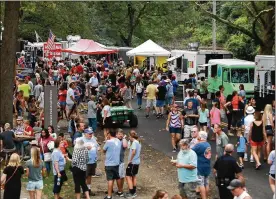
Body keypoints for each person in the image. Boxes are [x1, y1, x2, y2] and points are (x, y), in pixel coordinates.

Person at [192, 131, 211, 199]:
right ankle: (207, 196)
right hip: (207, 166)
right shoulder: (208, 144)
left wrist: (196, 143)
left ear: (200, 137)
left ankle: (203, 197)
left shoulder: (199, 145)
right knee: (207, 183)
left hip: (200, 167)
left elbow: (191, 151)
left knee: (201, 184)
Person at [103, 130, 121, 199]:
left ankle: (109, 195)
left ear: (110, 134)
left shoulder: (108, 142)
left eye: (107, 134)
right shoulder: (118, 141)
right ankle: (120, 191)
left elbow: (103, 150)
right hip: (116, 162)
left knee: (110, 179)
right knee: (117, 177)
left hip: (109, 163)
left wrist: (106, 139)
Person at [81, 128, 99, 196]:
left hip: (93, 161)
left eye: (91, 133)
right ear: (85, 134)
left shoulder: (93, 139)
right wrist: (85, 147)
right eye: (89, 133)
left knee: (90, 176)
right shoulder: (81, 140)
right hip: (85, 162)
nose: (91, 135)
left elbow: (97, 146)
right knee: (84, 176)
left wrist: (97, 151)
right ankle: (83, 191)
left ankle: (88, 189)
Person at [125, 130, 142, 198]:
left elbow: (134, 152)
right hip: (137, 162)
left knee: (128, 176)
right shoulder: (138, 142)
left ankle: (132, 193)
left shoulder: (134, 142)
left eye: (129, 136)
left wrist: (130, 160)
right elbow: (129, 147)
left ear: (130, 136)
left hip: (133, 162)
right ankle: (134, 191)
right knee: (134, 176)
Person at [116, 129, 128, 197]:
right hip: (115, 162)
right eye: (119, 134)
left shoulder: (123, 140)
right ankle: (118, 189)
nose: (120, 135)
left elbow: (125, 146)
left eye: (121, 134)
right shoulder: (115, 140)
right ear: (116, 134)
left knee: (121, 176)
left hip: (121, 162)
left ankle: (120, 190)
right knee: (117, 177)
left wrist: (123, 138)